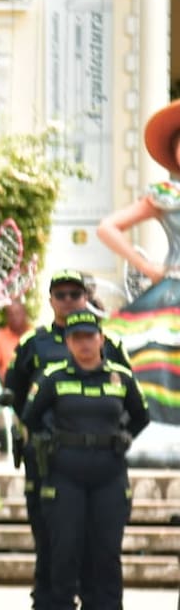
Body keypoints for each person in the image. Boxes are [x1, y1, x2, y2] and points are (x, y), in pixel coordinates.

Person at [3, 268, 130, 609]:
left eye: (75, 294)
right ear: (50, 300)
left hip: (99, 461)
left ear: (86, 297)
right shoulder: (33, 343)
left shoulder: (110, 344)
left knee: (99, 545)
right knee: (52, 542)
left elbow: (128, 397)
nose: (68, 300)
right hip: (46, 459)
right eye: (61, 295)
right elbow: (16, 396)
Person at [21, 310, 149, 610]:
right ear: (68, 342)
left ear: (101, 339)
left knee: (105, 552)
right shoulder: (53, 377)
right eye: (77, 338)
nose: (85, 343)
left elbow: (141, 416)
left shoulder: (121, 377)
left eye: (90, 337)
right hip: (65, 476)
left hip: (109, 476)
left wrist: (124, 435)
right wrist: (50, 439)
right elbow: (30, 416)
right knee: (64, 551)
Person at [97, 97, 180, 459]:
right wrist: (148, 268)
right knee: (154, 354)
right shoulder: (167, 195)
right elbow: (108, 227)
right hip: (172, 291)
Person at [0, 299, 30, 382]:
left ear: (25, 314)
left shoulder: (35, 334)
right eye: (10, 314)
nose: (14, 317)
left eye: (17, 313)